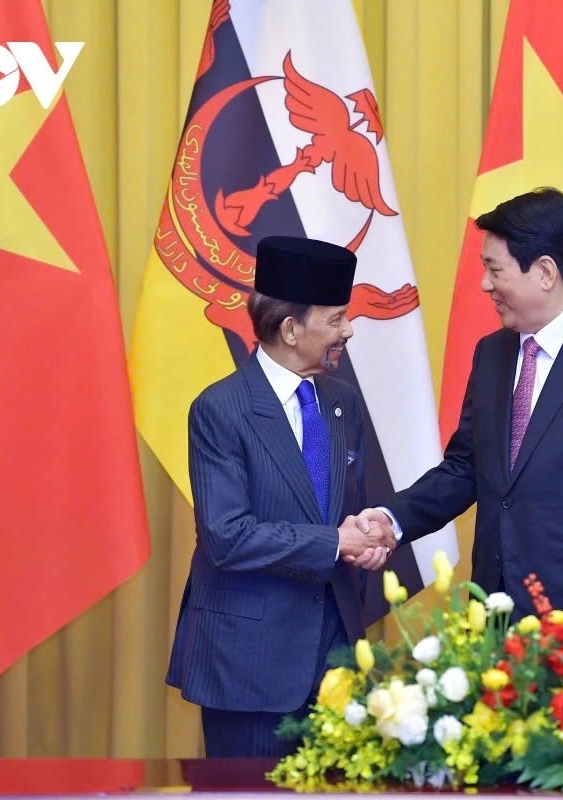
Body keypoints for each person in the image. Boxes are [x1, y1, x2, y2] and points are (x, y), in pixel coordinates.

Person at [366, 187, 563, 620]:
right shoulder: (492, 354)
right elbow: (464, 469)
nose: (484, 285)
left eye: (494, 269)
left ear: (545, 271)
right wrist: (392, 519)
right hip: (496, 616)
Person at [166, 235, 395, 758]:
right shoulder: (221, 410)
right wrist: (335, 542)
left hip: (336, 656)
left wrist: (368, 538)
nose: (350, 330)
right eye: (336, 319)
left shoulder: (342, 403)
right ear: (291, 329)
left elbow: (342, 518)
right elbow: (227, 537)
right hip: (250, 663)